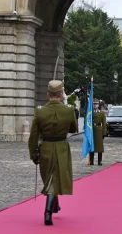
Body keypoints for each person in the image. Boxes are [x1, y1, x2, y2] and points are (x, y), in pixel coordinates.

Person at [28, 80, 77, 226]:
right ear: (61, 95)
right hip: (61, 146)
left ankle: (54, 207)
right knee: (55, 178)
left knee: (50, 177)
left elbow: (33, 136)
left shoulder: (40, 111)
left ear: (47, 94)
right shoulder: (69, 110)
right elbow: (74, 129)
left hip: (46, 148)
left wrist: (33, 153)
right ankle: (48, 212)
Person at [89, 98, 107, 166]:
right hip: (92, 130)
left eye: (96, 104)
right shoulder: (90, 112)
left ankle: (99, 161)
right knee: (91, 146)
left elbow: (104, 123)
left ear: (98, 105)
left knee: (99, 147)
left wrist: (104, 132)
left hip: (99, 130)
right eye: (94, 104)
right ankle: (91, 160)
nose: (95, 105)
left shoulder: (101, 113)